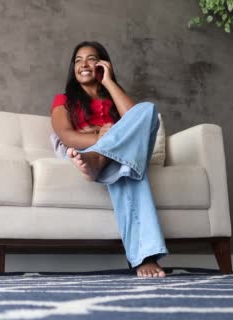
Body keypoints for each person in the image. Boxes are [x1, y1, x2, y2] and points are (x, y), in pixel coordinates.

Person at [50, 41, 168, 278]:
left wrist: (109, 82)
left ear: (103, 64)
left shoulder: (113, 96)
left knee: (148, 109)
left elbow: (139, 120)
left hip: (105, 156)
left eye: (92, 58)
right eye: (78, 60)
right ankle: (146, 257)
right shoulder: (63, 100)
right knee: (130, 170)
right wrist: (97, 136)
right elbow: (66, 135)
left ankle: (100, 158)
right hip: (82, 153)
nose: (84, 64)